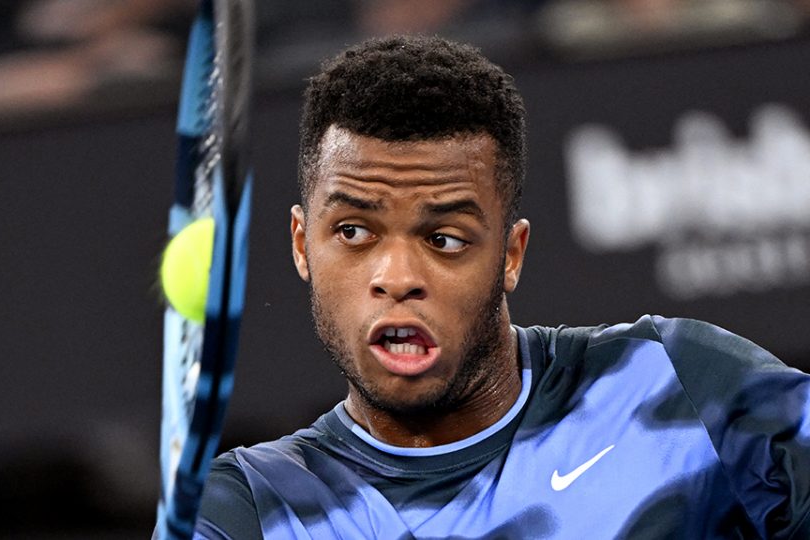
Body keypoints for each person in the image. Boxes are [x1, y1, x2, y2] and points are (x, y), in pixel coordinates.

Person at [194, 35, 810, 539]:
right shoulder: (247, 512)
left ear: (511, 255)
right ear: (303, 244)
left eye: (446, 239)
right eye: (354, 231)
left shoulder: (678, 381)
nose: (398, 279)